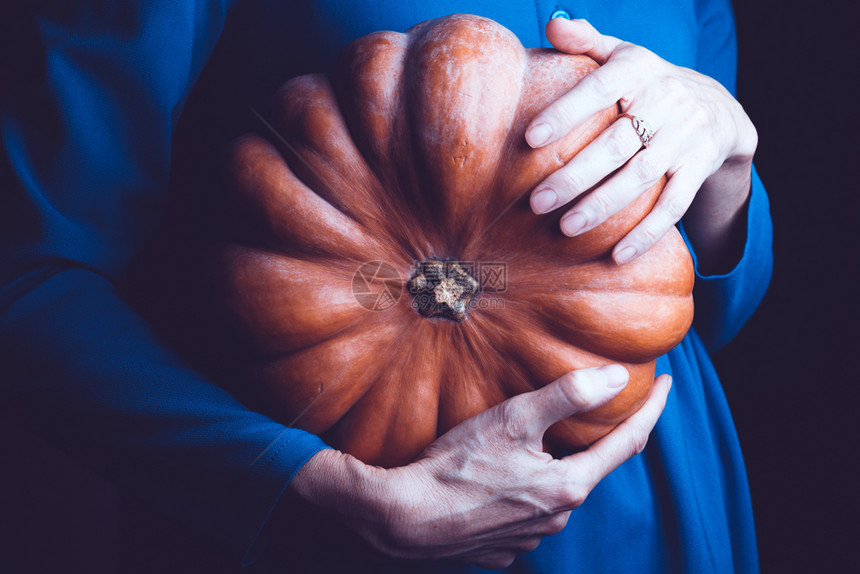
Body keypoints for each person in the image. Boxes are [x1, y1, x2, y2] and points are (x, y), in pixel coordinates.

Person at [0, 2, 771, 573]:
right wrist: (302, 488)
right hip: (336, 527)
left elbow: (706, 308)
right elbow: (28, 273)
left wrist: (729, 159)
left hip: (658, 512)